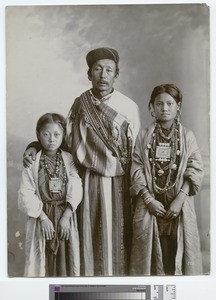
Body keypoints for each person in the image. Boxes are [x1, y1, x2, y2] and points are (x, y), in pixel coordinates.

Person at [23, 47, 141, 276]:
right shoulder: (80, 105)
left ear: (117, 75)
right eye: (97, 69)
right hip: (84, 181)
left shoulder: (129, 106)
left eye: (109, 70)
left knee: (117, 238)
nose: (103, 75)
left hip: (120, 185)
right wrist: (34, 145)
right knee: (87, 235)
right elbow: (62, 142)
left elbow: (136, 153)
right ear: (89, 74)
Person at [129, 84, 204, 276]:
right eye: (159, 103)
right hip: (151, 205)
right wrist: (148, 200)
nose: (164, 108)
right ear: (151, 107)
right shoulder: (144, 135)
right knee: (150, 258)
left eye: (170, 103)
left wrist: (180, 199)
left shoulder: (187, 136)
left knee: (176, 255)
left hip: (178, 205)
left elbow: (195, 169)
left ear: (178, 106)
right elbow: (136, 167)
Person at [18, 113, 83, 277]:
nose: (51, 139)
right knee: (41, 262)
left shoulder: (69, 159)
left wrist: (67, 216)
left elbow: (76, 185)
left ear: (63, 135)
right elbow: (26, 192)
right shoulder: (32, 161)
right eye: (46, 134)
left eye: (56, 135)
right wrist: (43, 218)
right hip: (42, 216)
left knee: (66, 261)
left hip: (65, 218)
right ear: (38, 135)